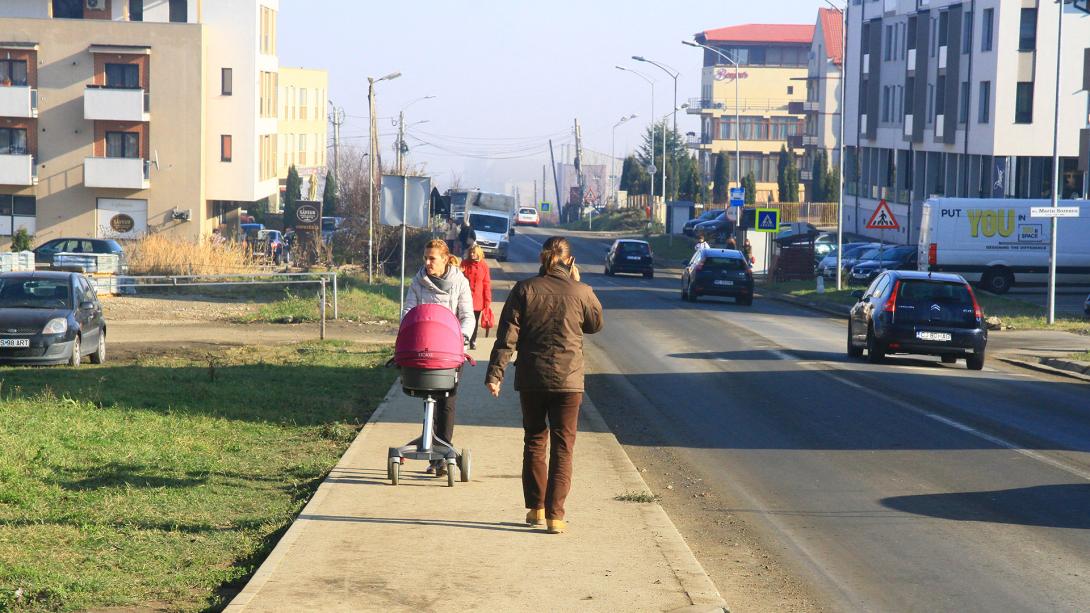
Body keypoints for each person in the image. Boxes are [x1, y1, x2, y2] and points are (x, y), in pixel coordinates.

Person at [485, 237, 604, 534]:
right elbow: (594, 324)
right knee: (564, 448)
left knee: (535, 441)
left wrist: (495, 374)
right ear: (571, 261)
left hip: (532, 378)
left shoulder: (524, 290)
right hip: (569, 381)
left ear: (542, 259)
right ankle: (556, 516)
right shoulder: (581, 291)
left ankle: (535, 508)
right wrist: (578, 283)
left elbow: (507, 337)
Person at [403, 238, 476, 477]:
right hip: (424, 350)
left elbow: (467, 315)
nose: (427, 262)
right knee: (428, 398)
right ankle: (432, 448)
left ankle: (441, 452)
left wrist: (461, 337)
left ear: (445, 259)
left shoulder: (459, 282)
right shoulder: (418, 282)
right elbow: (409, 312)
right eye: (425, 258)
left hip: (450, 351)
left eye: (432, 258)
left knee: (446, 402)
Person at [460, 244, 492, 350]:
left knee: (474, 320)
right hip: (465, 297)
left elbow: (486, 284)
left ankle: (473, 340)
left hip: (478, 299)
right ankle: (464, 339)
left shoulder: (484, 266)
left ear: (479, 253)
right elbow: (459, 278)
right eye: (471, 253)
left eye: (474, 253)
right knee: (464, 319)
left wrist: (487, 300)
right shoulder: (465, 263)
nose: (472, 254)